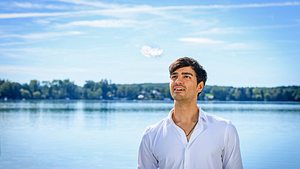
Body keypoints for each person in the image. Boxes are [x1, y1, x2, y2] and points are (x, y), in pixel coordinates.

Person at [138, 57, 243, 169]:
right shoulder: (151, 134)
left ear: (200, 86)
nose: (178, 81)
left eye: (186, 76)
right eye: (174, 76)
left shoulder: (225, 129)